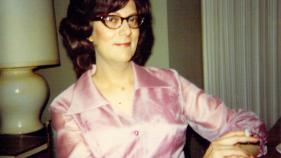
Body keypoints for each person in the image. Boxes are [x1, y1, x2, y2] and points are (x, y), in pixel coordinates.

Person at [50, 0, 267, 157]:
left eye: (132, 19)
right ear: (87, 30)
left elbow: (244, 125)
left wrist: (239, 150)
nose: (127, 30)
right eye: (113, 19)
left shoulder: (170, 83)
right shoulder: (67, 108)